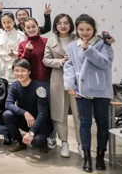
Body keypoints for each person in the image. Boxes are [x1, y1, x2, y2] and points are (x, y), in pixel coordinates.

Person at [64, 14, 114, 172]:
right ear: (76, 29)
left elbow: (105, 63)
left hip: (101, 90)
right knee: (84, 123)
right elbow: (69, 66)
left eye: (88, 29)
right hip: (82, 90)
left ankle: (100, 156)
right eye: (81, 29)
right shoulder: (72, 46)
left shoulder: (103, 44)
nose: (84, 32)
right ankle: (87, 158)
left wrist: (89, 49)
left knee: (102, 123)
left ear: (94, 29)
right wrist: (70, 85)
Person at [43, 13, 80, 158]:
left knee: (79, 114)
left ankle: (81, 144)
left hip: (77, 81)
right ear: (55, 25)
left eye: (66, 23)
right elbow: (46, 60)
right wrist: (61, 62)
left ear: (71, 24)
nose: (63, 26)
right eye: (59, 23)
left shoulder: (78, 38)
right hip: (58, 80)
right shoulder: (51, 40)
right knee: (59, 113)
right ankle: (64, 142)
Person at [3, 59, 54, 154]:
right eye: (16, 71)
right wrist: (25, 113)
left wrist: (32, 132)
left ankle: (44, 142)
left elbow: (43, 113)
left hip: (41, 125)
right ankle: (19, 142)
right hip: (27, 121)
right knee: (7, 114)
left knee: (36, 142)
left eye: (23, 71)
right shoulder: (14, 85)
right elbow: (8, 104)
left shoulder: (39, 88)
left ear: (29, 72)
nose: (19, 74)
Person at [0, 12, 26, 83]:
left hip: (14, 69)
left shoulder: (20, 36)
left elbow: (24, 54)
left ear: (14, 21)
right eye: (4, 22)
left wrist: (15, 53)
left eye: (9, 22)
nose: (6, 25)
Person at [17, 18, 51, 83]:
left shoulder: (47, 41)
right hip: (29, 80)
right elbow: (21, 63)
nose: (31, 29)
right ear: (24, 29)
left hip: (47, 78)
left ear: (38, 27)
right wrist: (27, 51)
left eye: (33, 26)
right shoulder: (22, 44)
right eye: (28, 28)